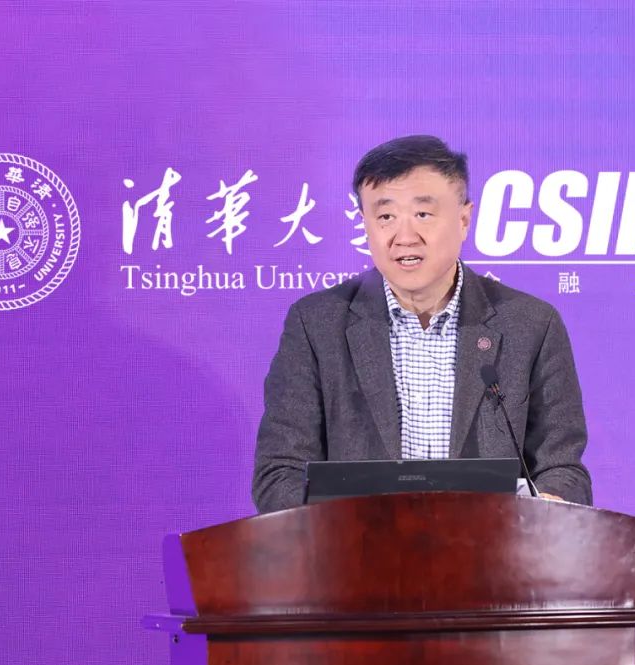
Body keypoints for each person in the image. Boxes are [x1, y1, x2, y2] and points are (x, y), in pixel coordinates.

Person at [252, 135, 591, 513]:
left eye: (423, 214)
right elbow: (279, 473)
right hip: (358, 547)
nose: (404, 237)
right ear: (365, 224)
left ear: (464, 220)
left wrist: (550, 506)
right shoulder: (317, 325)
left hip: (489, 546)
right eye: (385, 217)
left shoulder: (530, 325)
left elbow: (561, 468)